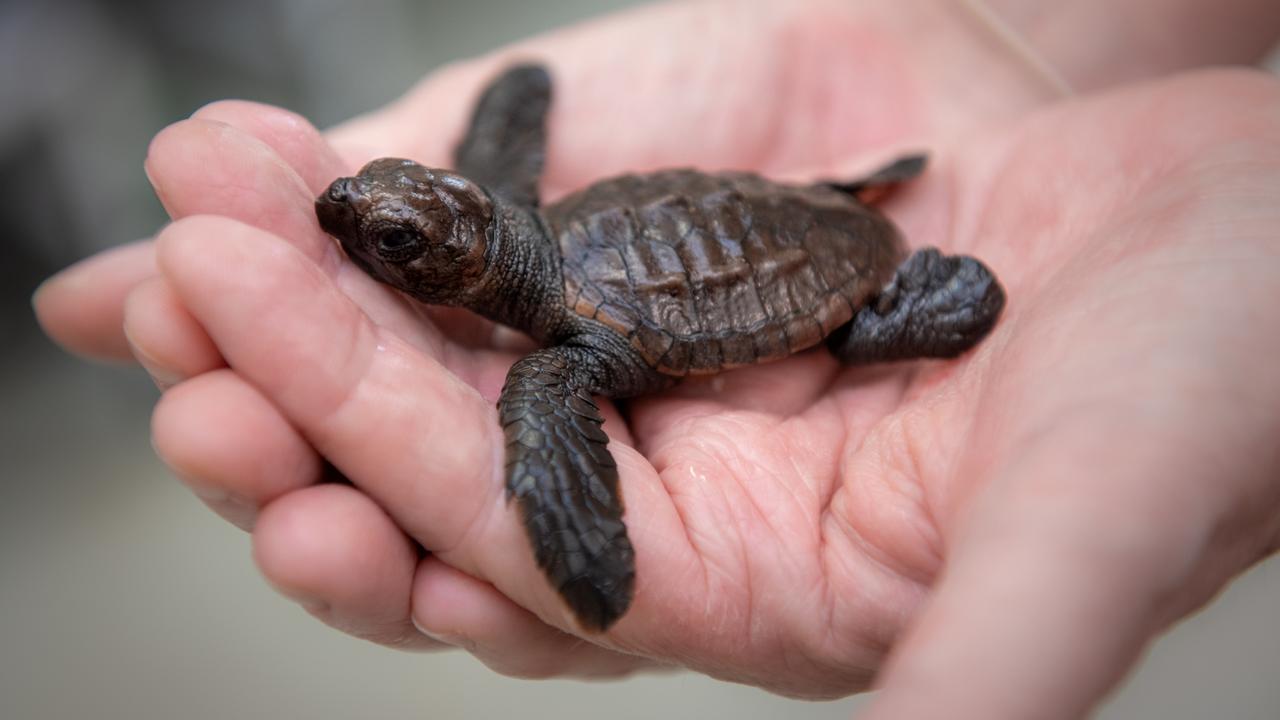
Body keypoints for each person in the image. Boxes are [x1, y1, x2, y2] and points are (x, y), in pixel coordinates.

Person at [32, 1, 1280, 717]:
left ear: (460, 249)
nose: (359, 215)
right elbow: (508, 116)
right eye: (381, 215)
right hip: (746, 208)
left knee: (881, 324)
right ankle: (861, 213)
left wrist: (583, 544)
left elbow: (513, 129)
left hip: (804, 267)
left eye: (395, 228)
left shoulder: (554, 338)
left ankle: (895, 300)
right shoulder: (518, 232)